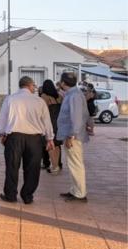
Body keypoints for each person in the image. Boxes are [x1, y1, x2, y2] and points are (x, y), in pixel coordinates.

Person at [0, 76, 54, 204]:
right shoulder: (39, 101)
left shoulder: (10, 99)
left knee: (12, 167)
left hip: (14, 138)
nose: (34, 88)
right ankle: (27, 196)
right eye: (34, 85)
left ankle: (10, 195)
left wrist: (1, 133)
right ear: (29, 85)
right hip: (34, 139)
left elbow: (2, 119)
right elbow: (46, 121)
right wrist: (50, 138)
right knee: (33, 168)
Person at [56, 72, 90, 202]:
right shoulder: (74, 94)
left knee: (76, 164)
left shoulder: (74, 96)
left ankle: (80, 193)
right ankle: (75, 190)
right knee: (73, 164)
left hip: (73, 136)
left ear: (63, 83)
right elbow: (85, 113)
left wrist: (71, 136)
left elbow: (76, 118)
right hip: (72, 134)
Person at [39, 79, 63, 174]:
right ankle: (58, 165)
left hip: (49, 122)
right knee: (57, 146)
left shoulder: (44, 97)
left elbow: (42, 112)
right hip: (58, 123)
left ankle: (54, 166)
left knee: (50, 145)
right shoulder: (59, 96)